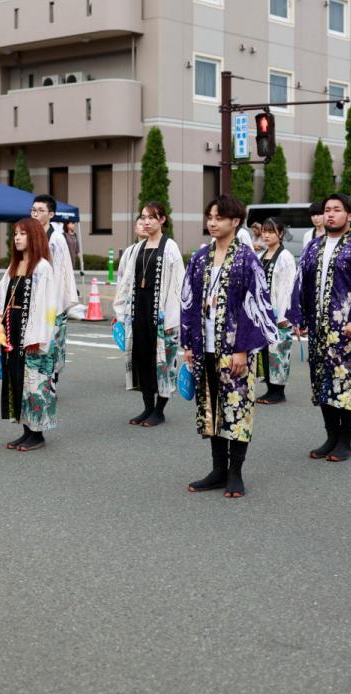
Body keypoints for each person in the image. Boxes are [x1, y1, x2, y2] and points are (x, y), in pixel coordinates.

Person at [180, 194, 277, 498]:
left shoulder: (247, 259)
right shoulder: (199, 257)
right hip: (205, 345)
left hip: (234, 348)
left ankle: (235, 472)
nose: (212, 222)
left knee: (237, 408)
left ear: (235, 221)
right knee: (212, 407)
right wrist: (188, 343)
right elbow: (188, 301)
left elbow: (258, 305)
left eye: (219, 217)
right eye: (209, 217)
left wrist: (243, 348)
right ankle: (217, 470)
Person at [289, 192, 351, 463]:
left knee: (346, 381)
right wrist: (300, 316)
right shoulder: (313, 246)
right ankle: (330, 435)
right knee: (322, 379)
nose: (330, 214)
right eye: (327, 209)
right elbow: (301, 282)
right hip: (319, 326)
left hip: (346, 328)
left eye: (336, 209)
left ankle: (345, 440)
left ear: (350, 215)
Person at [0, 217, 56, 451]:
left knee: (34, 383)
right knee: (16, 380)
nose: (17, 238)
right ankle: (26, 430)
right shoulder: (14, 266)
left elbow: (46, 307)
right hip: (12, 331)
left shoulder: (42, 267)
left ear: (34, 236)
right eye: (15, 233)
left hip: (31, 333)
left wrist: (37, 337)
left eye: (22, 234)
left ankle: (38, 434)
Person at [113, 201, 184, 427]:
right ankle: (147, 407)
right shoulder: (137, 248)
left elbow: (178, 285)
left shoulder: (170, 247)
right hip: (139, 312)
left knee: (162, 361)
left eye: (151, 217)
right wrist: (121, 311)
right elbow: (124, 281)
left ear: (162, 219)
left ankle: (159, 409)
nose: (145, 221)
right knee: (142, 358)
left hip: (161, 314)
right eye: (143, 217)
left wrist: (173, 318)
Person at [31, 195, 78, 397]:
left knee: (53, 342)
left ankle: (51, 380)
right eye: (33, 210)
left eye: (40, 210)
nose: (35, 213)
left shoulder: (56, 238)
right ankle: (37, 380)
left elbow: (61, 272)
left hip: (51, 301)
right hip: (32, 298)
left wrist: (56, 301)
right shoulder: (28, 234)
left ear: (50, 214)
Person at [257, 217, 297, 404]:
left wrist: (284, 316)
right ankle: (270, 388)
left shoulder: (285, 257)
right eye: (264, 231)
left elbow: (288, 289)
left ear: (280, 234)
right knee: (266, 352)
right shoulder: (261, 255)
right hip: (264, 315)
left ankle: (278, 392)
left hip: (279, 315)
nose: (266, 235)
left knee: (279, 353)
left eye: (271, 231)